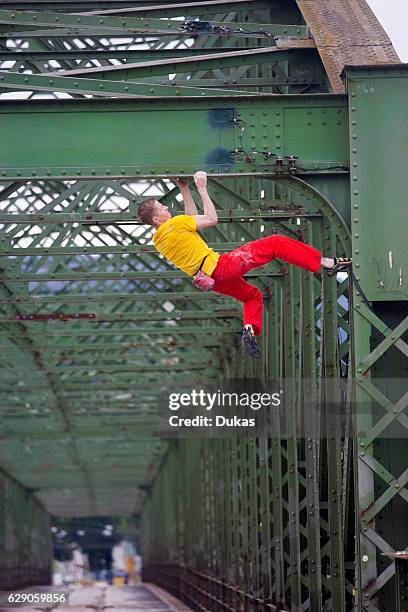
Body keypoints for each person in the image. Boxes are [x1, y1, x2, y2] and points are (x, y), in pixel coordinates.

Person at [137, 171, 351, 359]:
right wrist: (201, 188)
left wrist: (184, 189)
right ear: (157, 219)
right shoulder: (174, 224)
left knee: (252, 296)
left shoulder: (160, 241)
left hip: (211, 281)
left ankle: (250, 329)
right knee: (276, 243)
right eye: (162, 208)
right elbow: (210, 219)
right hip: (221, 267)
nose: (166, 207)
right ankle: (326, 263)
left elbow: (192, 220)